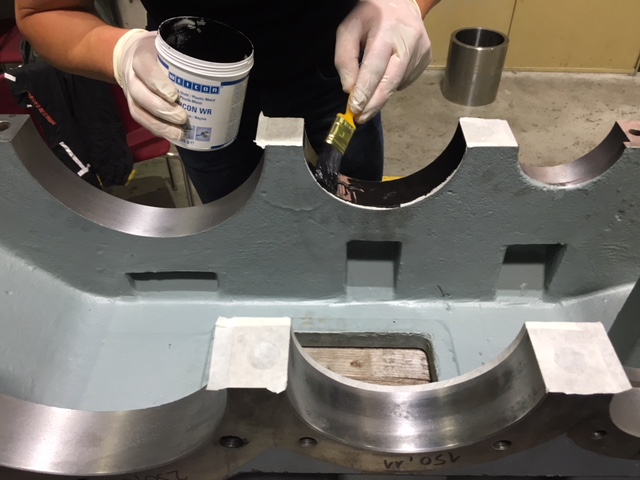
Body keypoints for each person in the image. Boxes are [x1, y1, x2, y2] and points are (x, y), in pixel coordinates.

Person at [15, 0, 438, 203]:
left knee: (356, 215)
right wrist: (119, 53)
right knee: (236, 223)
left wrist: (404, 5)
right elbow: (46, 10)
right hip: (196, 88)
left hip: (338, 69)